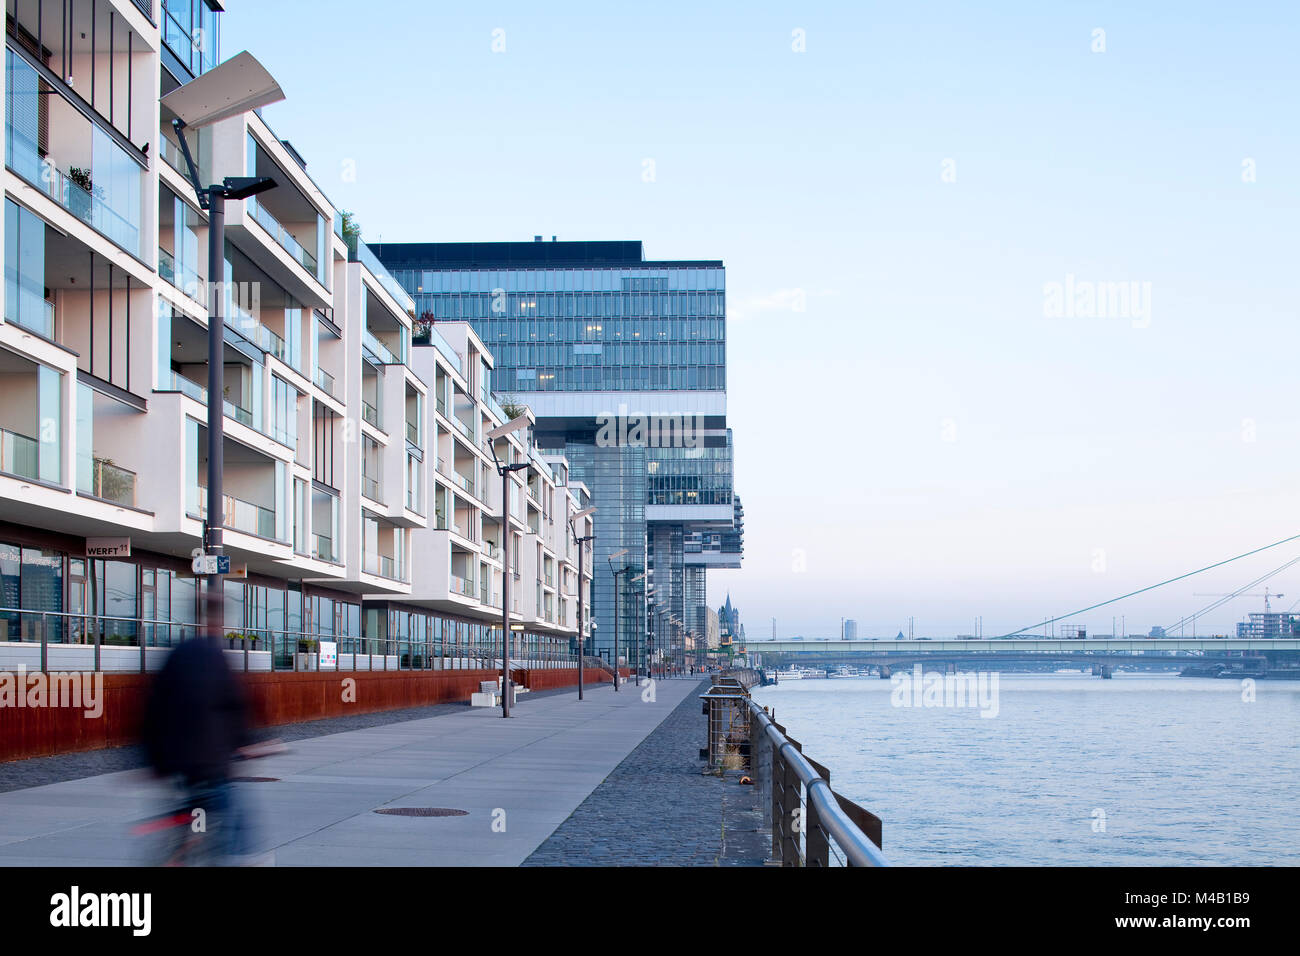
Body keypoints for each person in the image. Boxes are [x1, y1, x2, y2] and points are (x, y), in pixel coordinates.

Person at [141, 635, 254, 863]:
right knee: (227, 828)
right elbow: (236, 709)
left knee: (195, 820)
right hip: (211, 765)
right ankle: (190, 852)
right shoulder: (217, 659)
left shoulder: (176, 656)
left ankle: (179, 852)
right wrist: (244, 744)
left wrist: (154, 760)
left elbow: (151, 711)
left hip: (181, 764)